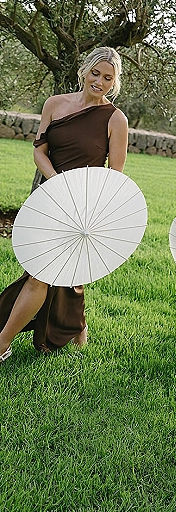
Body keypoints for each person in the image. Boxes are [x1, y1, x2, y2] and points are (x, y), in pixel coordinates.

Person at [0, 47, 128, 362]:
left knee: (40, 273)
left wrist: (89, 205)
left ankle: (2, 343)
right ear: (84, 70)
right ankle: (77, 328)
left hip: (81, 207)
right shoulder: (54, 105)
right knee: (65, 271)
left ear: (114, 83)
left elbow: (116, 174)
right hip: (46, 196)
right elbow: (39, 150)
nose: (99, 81)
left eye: (108, 78)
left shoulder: (115, 119)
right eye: (95, 73)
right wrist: (57, 181)